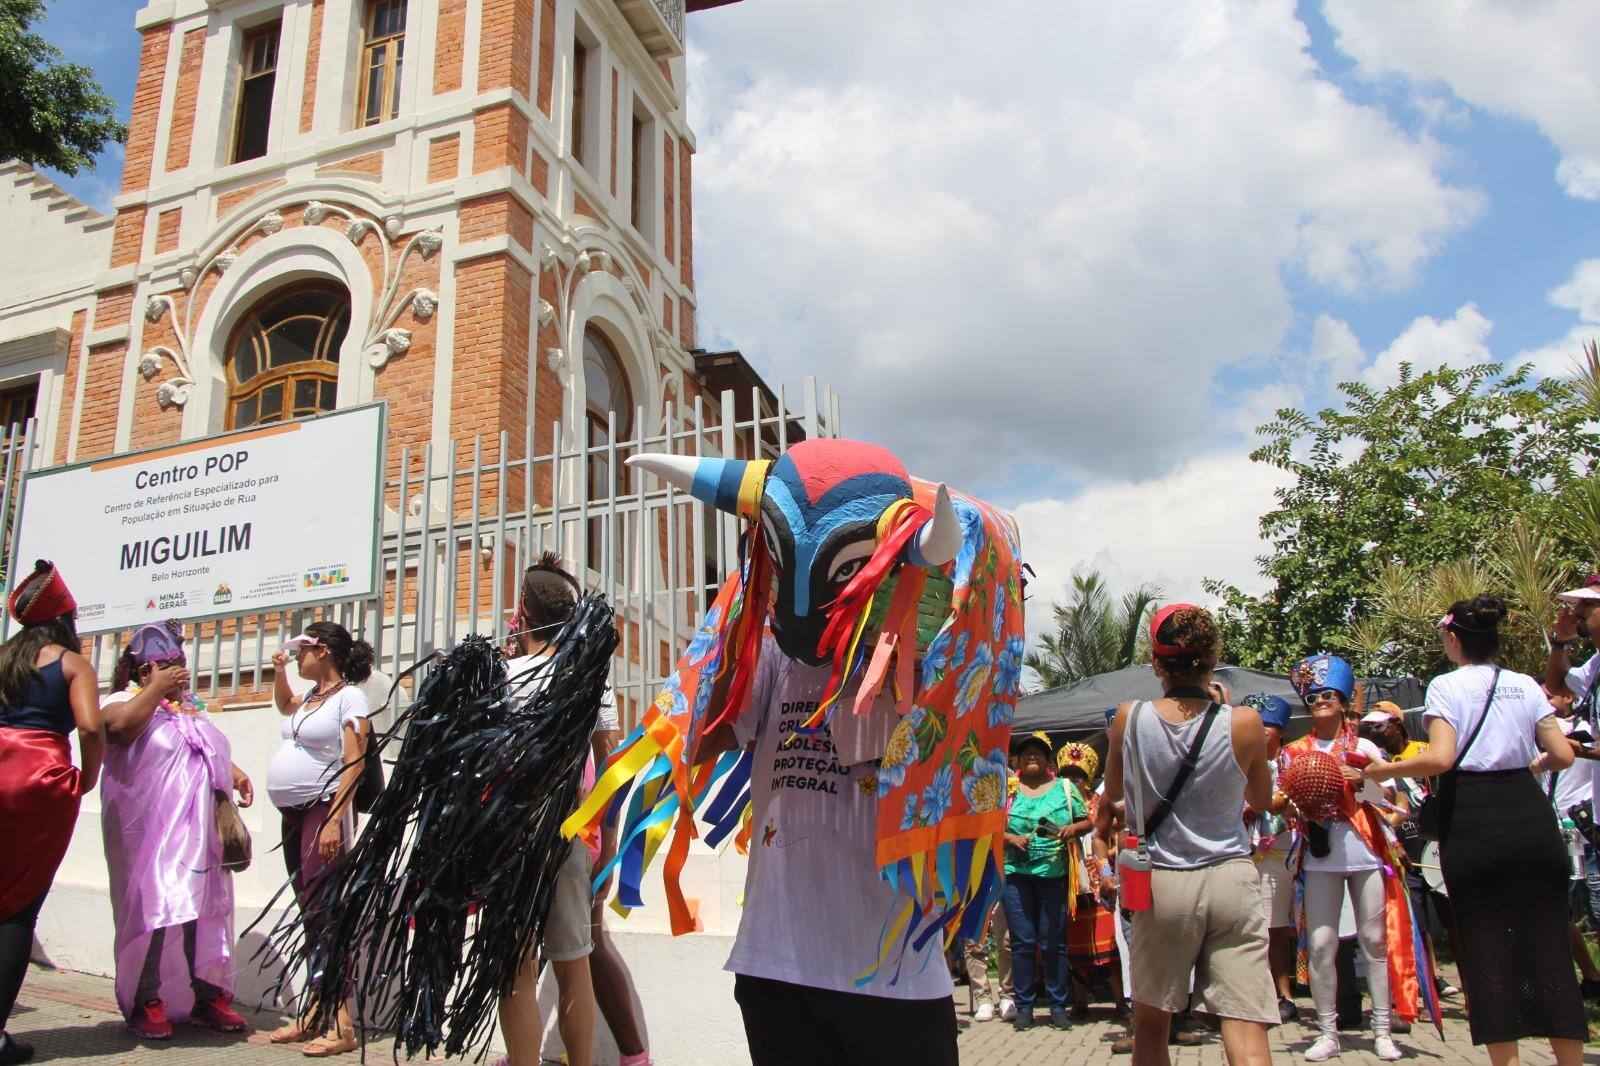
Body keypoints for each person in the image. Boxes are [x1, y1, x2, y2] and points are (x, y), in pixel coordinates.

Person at [1362, 595, 1587, 1066]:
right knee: (1548, 945)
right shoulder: (1524, 683)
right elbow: (1564, 755)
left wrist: (1382, 771)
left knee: (1486, 948)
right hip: (1529, 814)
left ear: (1453, 637)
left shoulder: (1446, 686)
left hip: (1475, 817)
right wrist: (1533, 763)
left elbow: (1442, 758)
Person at [1097, 603, 1275, 1066]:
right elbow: (1259, 800)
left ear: (1156, 662)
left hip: (1161, 882)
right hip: (1232, 877)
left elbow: (1113, 792)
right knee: (1244, 1020)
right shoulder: (1246, 723)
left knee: (1152, 1026)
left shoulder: (1127, 717)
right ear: (1213, 656)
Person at [495, 555, 650, 1066]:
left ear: (523, 610)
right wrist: (606, 837)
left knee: (515, 966)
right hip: (569, 833)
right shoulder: (590, 679)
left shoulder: (501, 676)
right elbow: (611, 765)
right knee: (573, 961)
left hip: (512, 834)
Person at [100, 621, 252, 1039]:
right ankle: (144, 1002)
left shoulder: (187, 708)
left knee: (201, 911)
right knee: (155, 912)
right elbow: (118, 728)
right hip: (148, 836)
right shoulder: (123, 699)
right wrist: (154, 691)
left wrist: (233, 774)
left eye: (178, 664)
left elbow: (195, 744)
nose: (176, 671)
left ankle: (208, 998)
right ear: (142, 671)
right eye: (165, 665)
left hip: (198, 834)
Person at [1280, 653, 1409, 1062]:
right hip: (1319, 853)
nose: (1321, 700)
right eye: (1314, 694)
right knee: (1320, 944)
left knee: (1373, 940)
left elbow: (1391, 798)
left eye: (1329, 694)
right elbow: (1283, 802)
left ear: (1342, 700)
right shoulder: (1293, 751)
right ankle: (1327, 1030)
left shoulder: (1365, 745)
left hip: (1365, 849)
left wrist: (1365, 779)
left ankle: (1382, 1029)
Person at [0, 561, 102, 1066]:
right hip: (39, 779)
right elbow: (89, 727)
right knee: (18, 905)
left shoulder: (2, 659)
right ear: (66, 619)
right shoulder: (71, 664)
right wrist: (89, 777)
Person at [265, 620, 373, 1057]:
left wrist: (334, 820)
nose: (297, 657)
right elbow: (286, 706)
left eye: (302, 651)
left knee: (328, 913)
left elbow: (355, 760)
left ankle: (343, 1024)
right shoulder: (311, 698)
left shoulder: (350, 697)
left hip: (322, 810)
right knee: (309, 912)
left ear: (324, 651)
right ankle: (314, 1013)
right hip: (293, 814)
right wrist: (278, 674)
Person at [1001, 731, 1081, 1031]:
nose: (1031, 756)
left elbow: (1086, 820)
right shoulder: (1006, 791)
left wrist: (1072, 830)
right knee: (1022, 942)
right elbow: (985, 826)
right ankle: (1024, 1007)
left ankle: (1059, 1006)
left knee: (1053, 943)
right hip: (1015, 877)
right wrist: (1009, 837)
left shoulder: (1065, 788)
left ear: (1048, 759)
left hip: (1054, 875)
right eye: (1026, 753)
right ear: (1018, 759)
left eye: (1038, 752)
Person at [1240, 693, 1300, 1025]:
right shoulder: (1241, 763)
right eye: (1257, 724)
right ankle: (1269, 994)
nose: (1262, 730)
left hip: (1288, 851)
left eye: (1269, 725)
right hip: (1252, 854)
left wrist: (1261, 805)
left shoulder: (1291, 760)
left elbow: (1286, 798)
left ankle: (1293, 995)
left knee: (1288, 929)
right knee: (1261, 930)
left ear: (1280, 731)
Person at [1056, 741, 1125, 1021]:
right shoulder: (1057, 806)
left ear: (1088, 779)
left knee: (1109, 943)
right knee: (1074, 944)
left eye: (1079, 776)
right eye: (1068, 776)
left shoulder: (1100, 805)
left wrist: (1102, 858)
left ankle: (1121, 1000)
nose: (1074, 781)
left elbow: (1116, 839)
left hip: (1100, 881)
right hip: (1071, 881)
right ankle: (1080, 1000)